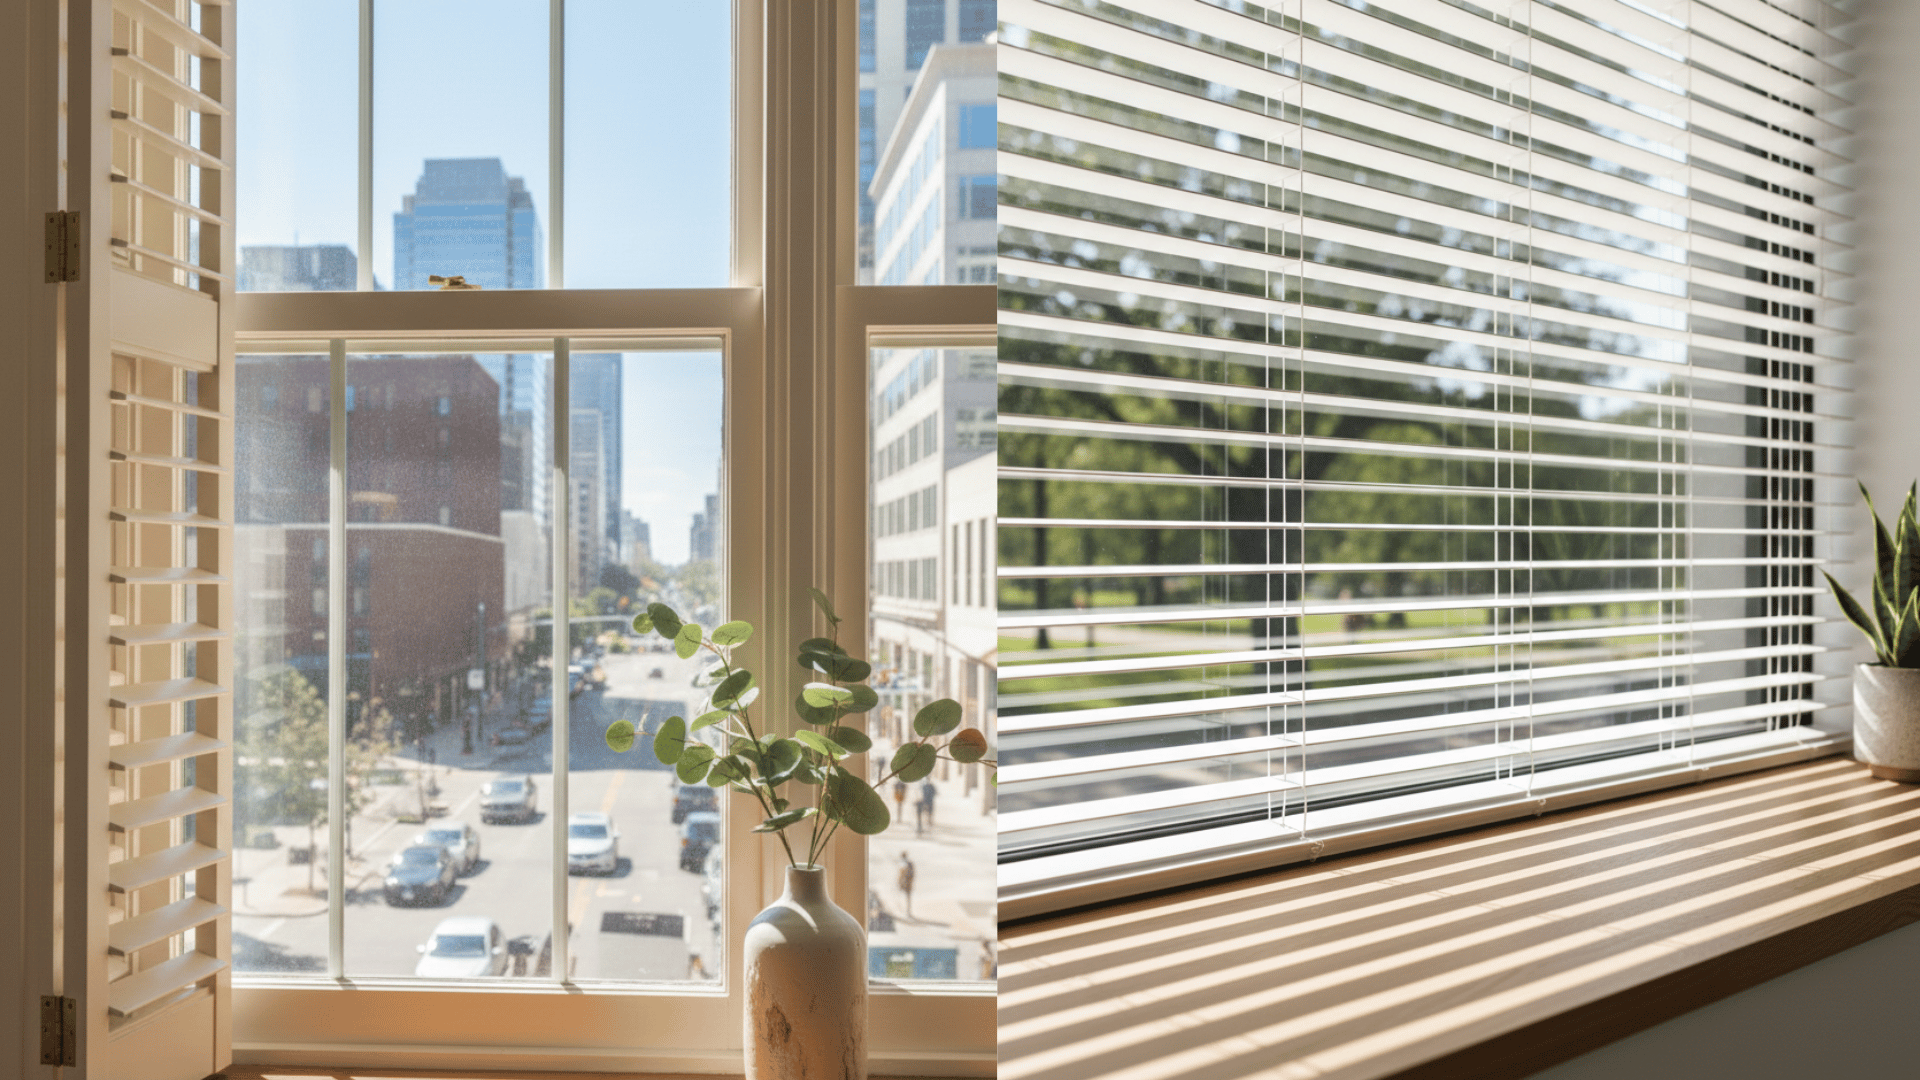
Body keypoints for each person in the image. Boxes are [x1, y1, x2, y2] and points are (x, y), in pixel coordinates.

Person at [896, 851, 916, 919]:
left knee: (903, 896)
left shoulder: (903, 863)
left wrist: (899, 882)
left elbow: (901, 874)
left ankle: (905, 910)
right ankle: (907, 910)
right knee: (908, 897)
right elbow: (913, 874)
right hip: (908, 882)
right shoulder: (910, 863)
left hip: (905, 882)